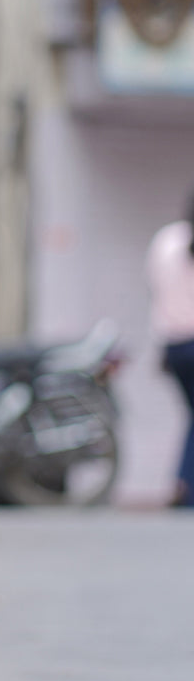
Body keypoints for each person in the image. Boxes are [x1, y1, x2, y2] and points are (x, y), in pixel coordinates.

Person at [146, 197, 194, 508]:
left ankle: (182, 481)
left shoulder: (167, 240)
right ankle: (185, 484)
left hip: (173, 344)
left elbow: (154, 290)